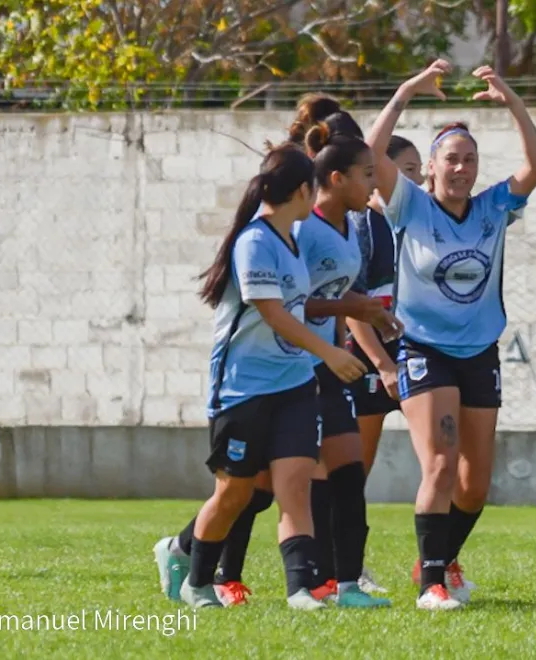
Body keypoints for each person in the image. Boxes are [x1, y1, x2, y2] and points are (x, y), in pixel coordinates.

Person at [366, 59, 536, 610]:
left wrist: (512, 100)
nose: (462, 168)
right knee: (442, 464)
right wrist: (406, 89)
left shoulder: (495, 206)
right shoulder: (410, 205)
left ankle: (439, 559)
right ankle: (431, 585)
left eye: (470, 160)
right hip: (426, 351)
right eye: (452, 159)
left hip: (479, 353)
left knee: (475, 484)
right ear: (432, 167)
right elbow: (372, 154)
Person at [153, 142, 368, 610]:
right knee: (235, 493)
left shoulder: (293, 240)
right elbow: (273, 313)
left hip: (292, 384)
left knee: (294, 488)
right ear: (301, 190)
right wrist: (330, 353)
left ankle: (300, 591)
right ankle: (195, 577)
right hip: (243, 387)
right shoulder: (255, 241)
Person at [289, 94, 396, 597]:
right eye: (368, 174)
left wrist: (369, 312)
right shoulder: (300, 229)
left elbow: (333, 294)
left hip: (331, 367)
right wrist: (355, 311)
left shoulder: (350, 228)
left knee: (349, 473)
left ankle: (345, 581)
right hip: (290, 369)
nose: (376, 185)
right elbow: (295, 303)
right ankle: (200, 560)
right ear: (337, 177)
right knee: (258, 490)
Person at [346, 135, 425, 474]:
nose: (419, 180)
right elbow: (351, 305)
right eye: (410, 170)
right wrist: (382, 364)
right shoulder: (361, 224)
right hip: (370, 359)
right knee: (354, 470)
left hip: (419, 356)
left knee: (442, 461)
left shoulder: (422, 219)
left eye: (421, 170)